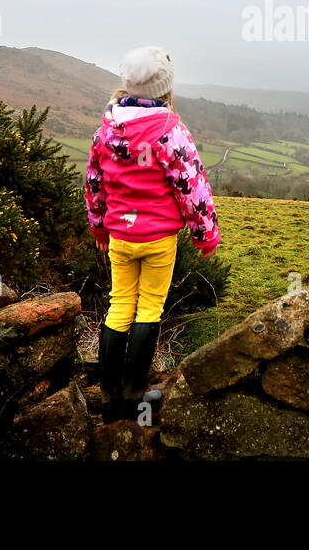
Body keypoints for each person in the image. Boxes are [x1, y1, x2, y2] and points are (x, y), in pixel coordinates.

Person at [85, 45, 220, 423]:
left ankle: (109, 397)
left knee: (119, 303)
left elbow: (94, 182)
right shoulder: (170, 132)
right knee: (149, 307)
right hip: (158, 238)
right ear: (165, 87)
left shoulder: (106, 130)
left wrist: (99, 225)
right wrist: (205, 235)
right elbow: (192, 187)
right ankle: (134, 394)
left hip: (119, 236)